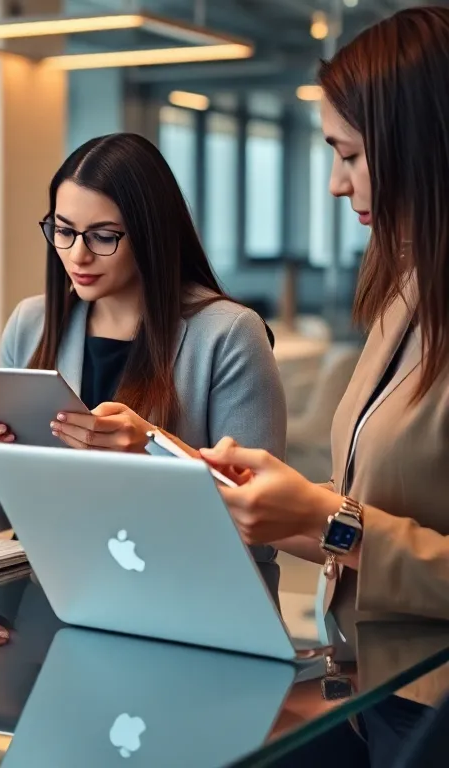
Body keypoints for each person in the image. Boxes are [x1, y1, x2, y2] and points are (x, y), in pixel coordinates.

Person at [200, 7, 449, 623]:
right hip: (373, 684)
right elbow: (356, 533)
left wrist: (325, 517)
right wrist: (176, 464)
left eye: (352, 155)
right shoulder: (406, 298)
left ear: (420, 146)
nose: (337, 184)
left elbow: (350, 531)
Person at [0, 133, 287, 542]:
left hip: (180, 580)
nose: (78, 254)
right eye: (63, 231)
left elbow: (262, 511)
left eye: (103, 236)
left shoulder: (228, 334)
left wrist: (151, 451)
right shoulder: (32, 324)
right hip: (53, 579)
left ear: (150, 234)